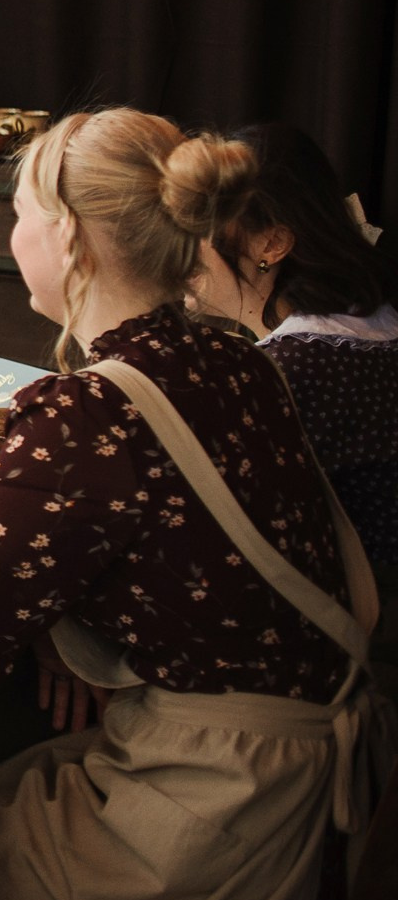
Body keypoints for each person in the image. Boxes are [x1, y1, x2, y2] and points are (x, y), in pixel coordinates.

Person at [0, 109, 388, 900]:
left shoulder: (92, 410)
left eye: (19, 215)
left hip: (218, 808)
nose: (12, 233)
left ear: (71, 241)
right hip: (286, 764)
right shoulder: (239, 358)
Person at [189, 121, 398, 569]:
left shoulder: (293, 370)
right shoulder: (370, 316)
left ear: (274, 242)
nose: (178, 243)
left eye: (201, 222)